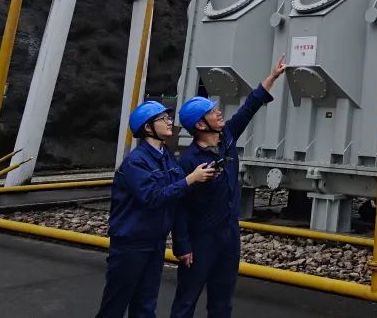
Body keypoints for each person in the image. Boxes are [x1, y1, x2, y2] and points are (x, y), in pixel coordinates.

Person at [170, 56, 286, 318]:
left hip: (229, 235)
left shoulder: (228, 139)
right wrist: (182, 246)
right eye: (211, 112)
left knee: (222, 302)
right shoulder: (189, 162)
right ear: (200, 125)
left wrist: (273, 76)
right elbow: (179, 207)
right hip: (201, 238)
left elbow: (250, 106)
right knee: (186, 300)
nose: (218, 112)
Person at [96, 101, 216, 318]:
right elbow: (152, 198)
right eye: (163, 119)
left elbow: (177, 194)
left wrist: (202, 175)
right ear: (148, 127)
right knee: (114, 306)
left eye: (168, 117)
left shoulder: (166, 156)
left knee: (145, 305)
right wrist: (190, 179)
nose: (169, 122)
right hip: (130, 245)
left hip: (155, 243)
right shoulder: (136, 162)